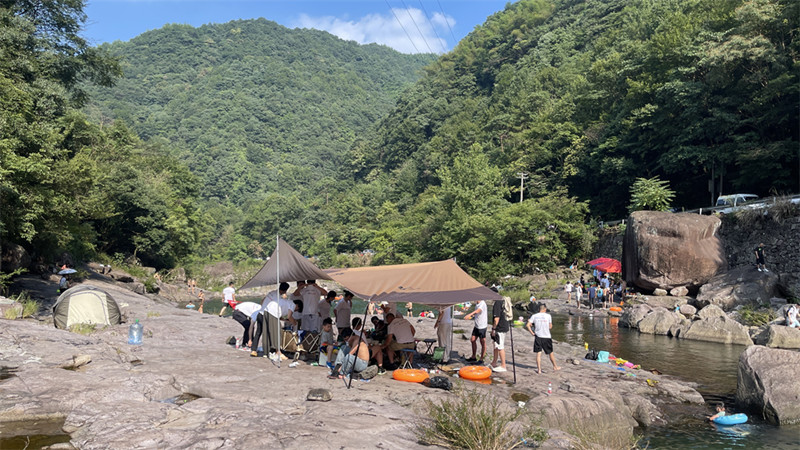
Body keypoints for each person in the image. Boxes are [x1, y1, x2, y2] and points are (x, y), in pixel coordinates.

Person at [252, 282, 296, 360]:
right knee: (272, 332)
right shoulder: (280, 298)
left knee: (259, 332)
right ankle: (275, 351)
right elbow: (280, 311)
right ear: (285, 290)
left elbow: (262, 301)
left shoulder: (272, 293)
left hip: (261, 312)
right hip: (269, 313)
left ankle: (254, 350)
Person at [525, 304, 560, 374]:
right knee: (550, 353)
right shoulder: (548, 316)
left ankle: (539, 370)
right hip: (546, 336)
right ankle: (555, 366)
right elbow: (550, 327)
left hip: (538, 336)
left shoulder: (534, 316)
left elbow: (528, 325)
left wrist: (532, 333)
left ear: (539, 309)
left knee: (538, 354)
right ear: (545, 309)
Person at [489, 298, 510, 372]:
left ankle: (503, 365)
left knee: (500, 346)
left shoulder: (497, 303)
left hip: (500, 328)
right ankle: (494, 362)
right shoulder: (502, 301)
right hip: (504, 326)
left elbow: (496, 319)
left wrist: (493, 329)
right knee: (496, 345)